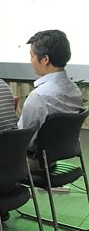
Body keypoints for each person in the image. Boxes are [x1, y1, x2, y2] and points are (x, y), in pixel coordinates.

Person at [18, 30, 83, 167]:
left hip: (32, 163)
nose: (30, 60)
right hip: (52, 159)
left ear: (45, 59)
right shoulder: (75, 90)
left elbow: (23, 141)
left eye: (32, 56)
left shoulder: (39, 96)